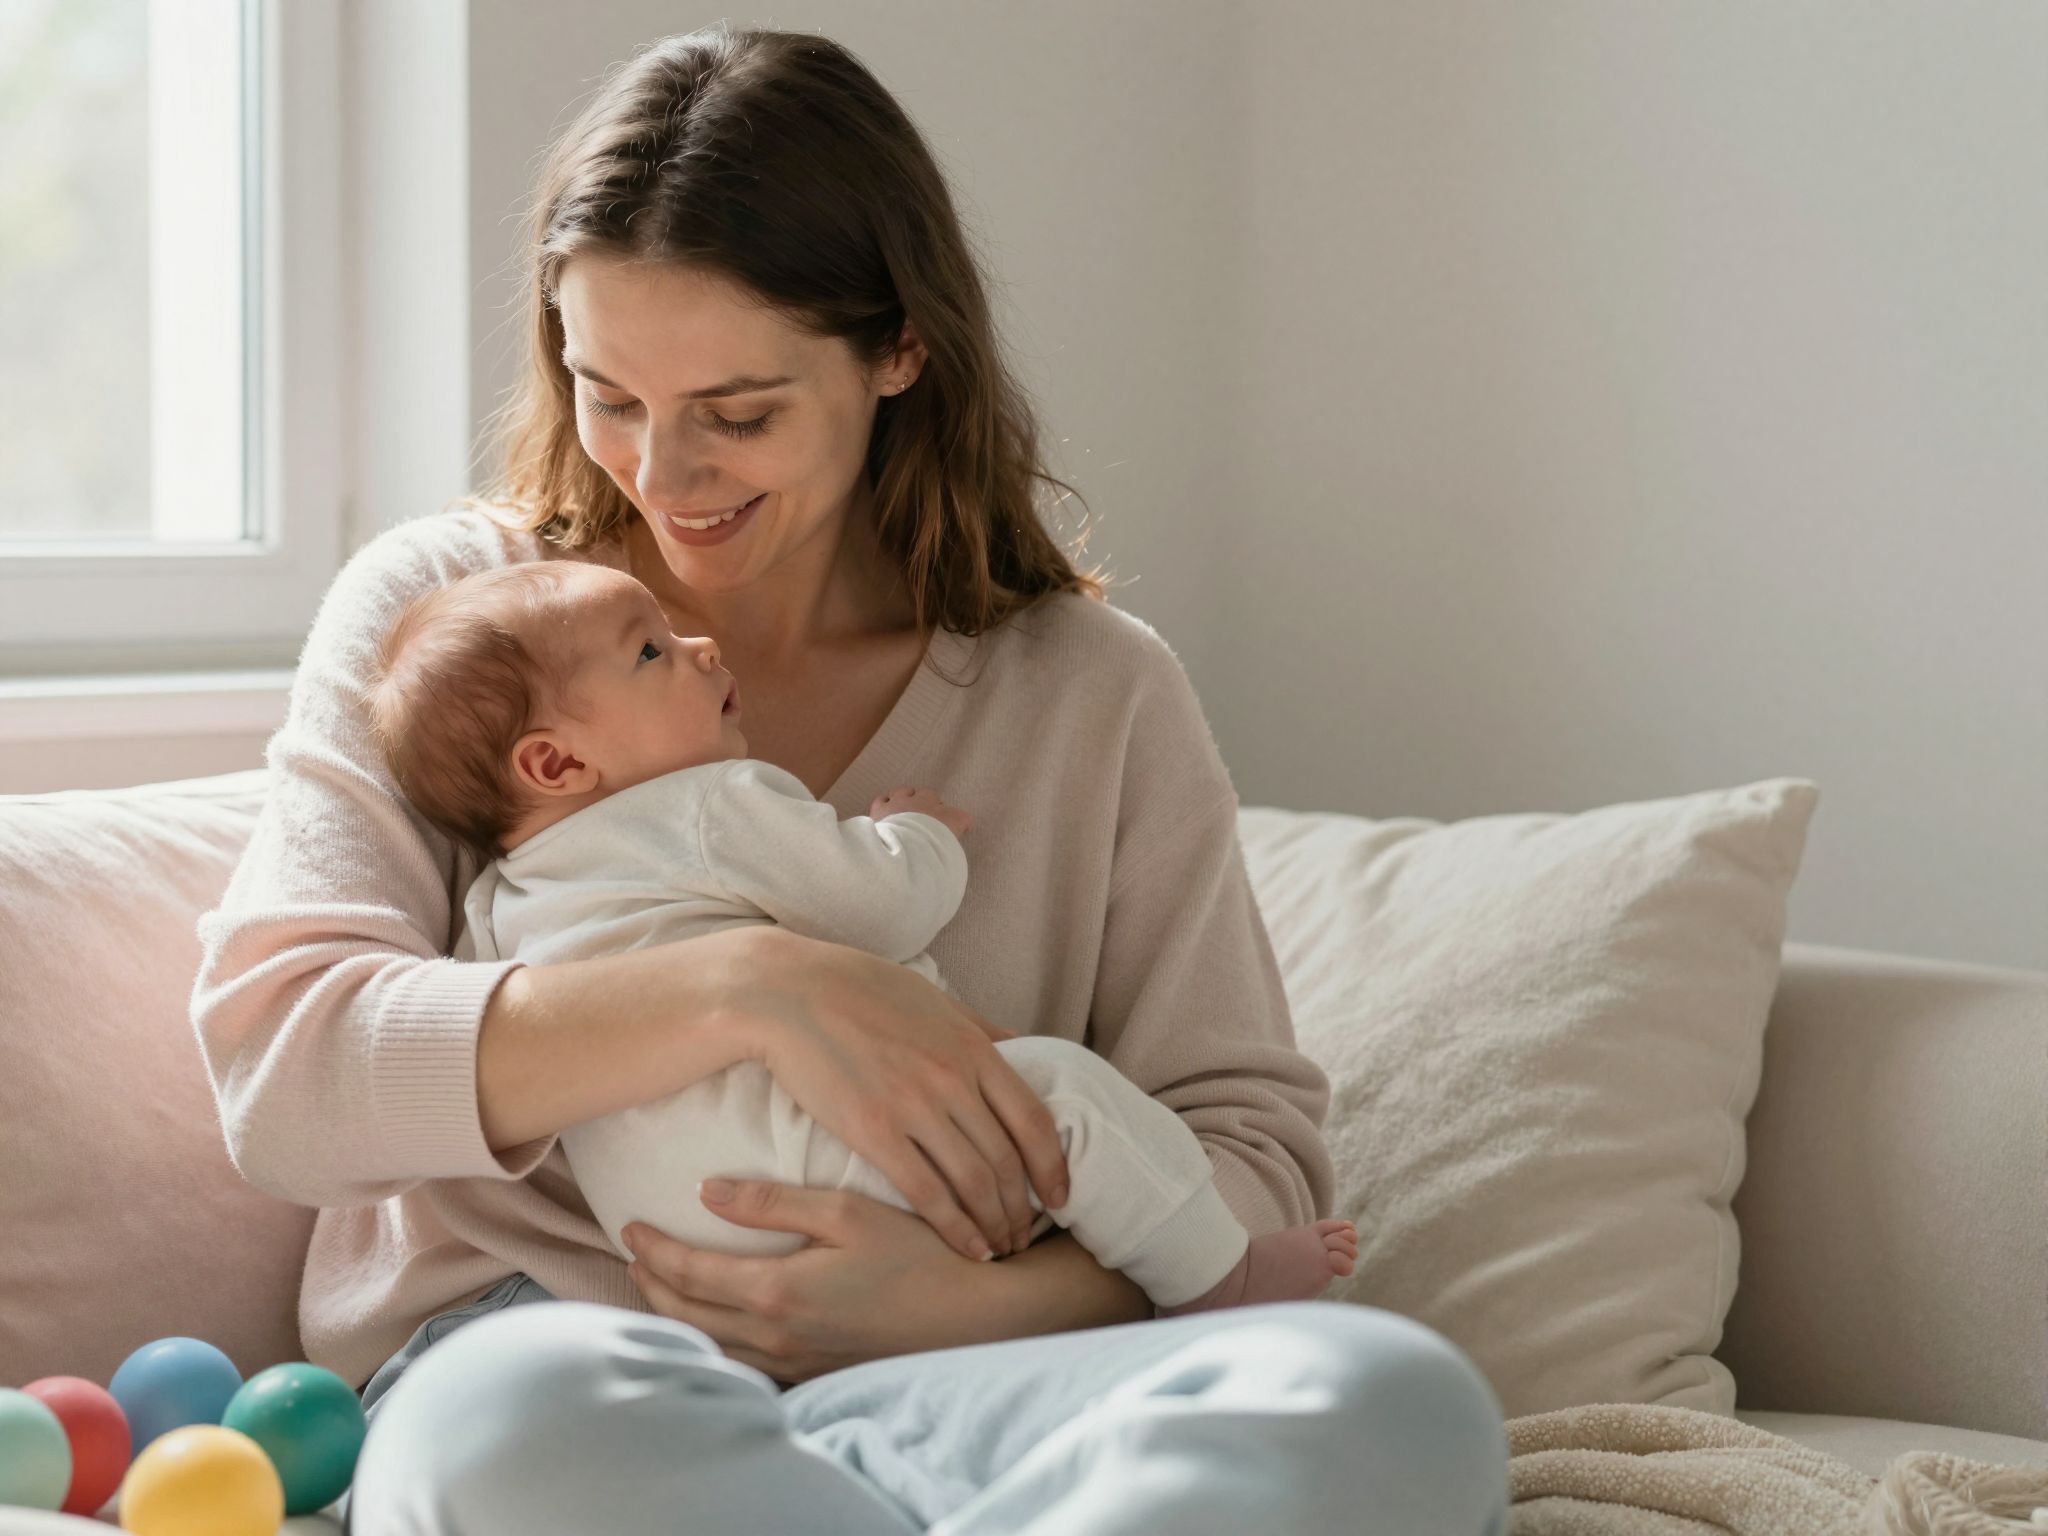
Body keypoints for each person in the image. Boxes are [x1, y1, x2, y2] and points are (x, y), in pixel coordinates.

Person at [190, 22, 1510, 1535]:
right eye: (609, 393)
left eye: (739, 414)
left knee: (1391, 1403)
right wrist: (750, 989)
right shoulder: (453, 627)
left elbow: (1254, 1146)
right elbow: (286, 1073)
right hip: (563, 1370)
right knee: (511, 1429)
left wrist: (975, 1309)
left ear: (899, 351)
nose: (662, 477)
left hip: (979, 1381)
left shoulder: (1089, 690)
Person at [365, 558, 1360, 1315]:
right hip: (827, 1164)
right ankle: (1222, 1280)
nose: (700, 646)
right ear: (553, 760)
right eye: (650, 653)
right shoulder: (707, 804)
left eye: (740, 410)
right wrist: (916, 829)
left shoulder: (498, 907)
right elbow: (877, 903)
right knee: (1060, 1094)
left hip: (675, 1233)